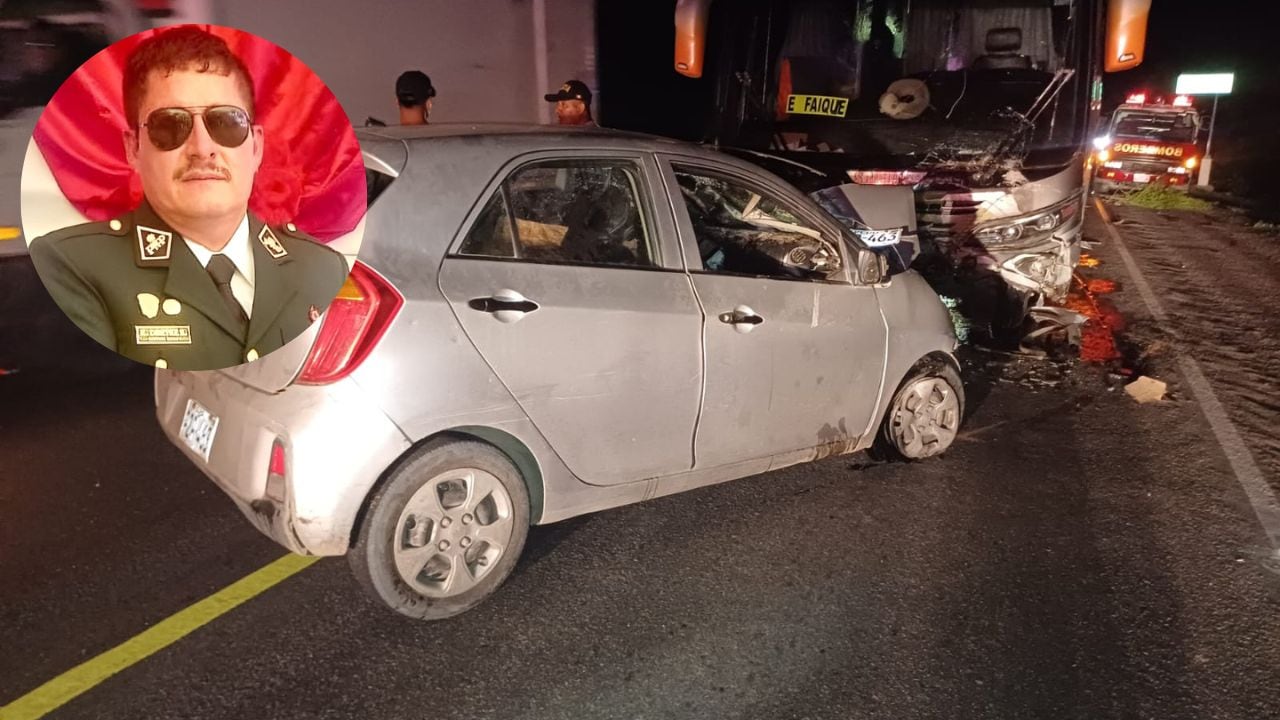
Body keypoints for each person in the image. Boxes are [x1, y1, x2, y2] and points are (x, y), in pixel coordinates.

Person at [29, 25, 347, 371]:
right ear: (133, 148)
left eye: (226, 122)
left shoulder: (323, 269)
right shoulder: (72, 267)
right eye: (170, 126)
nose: (202, 148)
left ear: (256, 147)